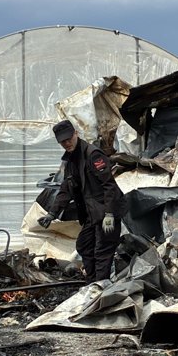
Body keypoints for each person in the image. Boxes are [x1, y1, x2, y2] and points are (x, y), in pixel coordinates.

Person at [37, 120, 127, 284]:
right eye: (63, 141)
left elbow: (109, 187)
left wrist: (109, 214)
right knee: (84, 246)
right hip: (92, 214)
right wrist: (52, 214)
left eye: (69, 139)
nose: (67, 143)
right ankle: (92, 284)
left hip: (107, 212)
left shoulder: (93, 155)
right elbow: (66, 188)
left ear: (76, 134)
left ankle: (100, 288)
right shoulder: (71, 160)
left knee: (102, 252)